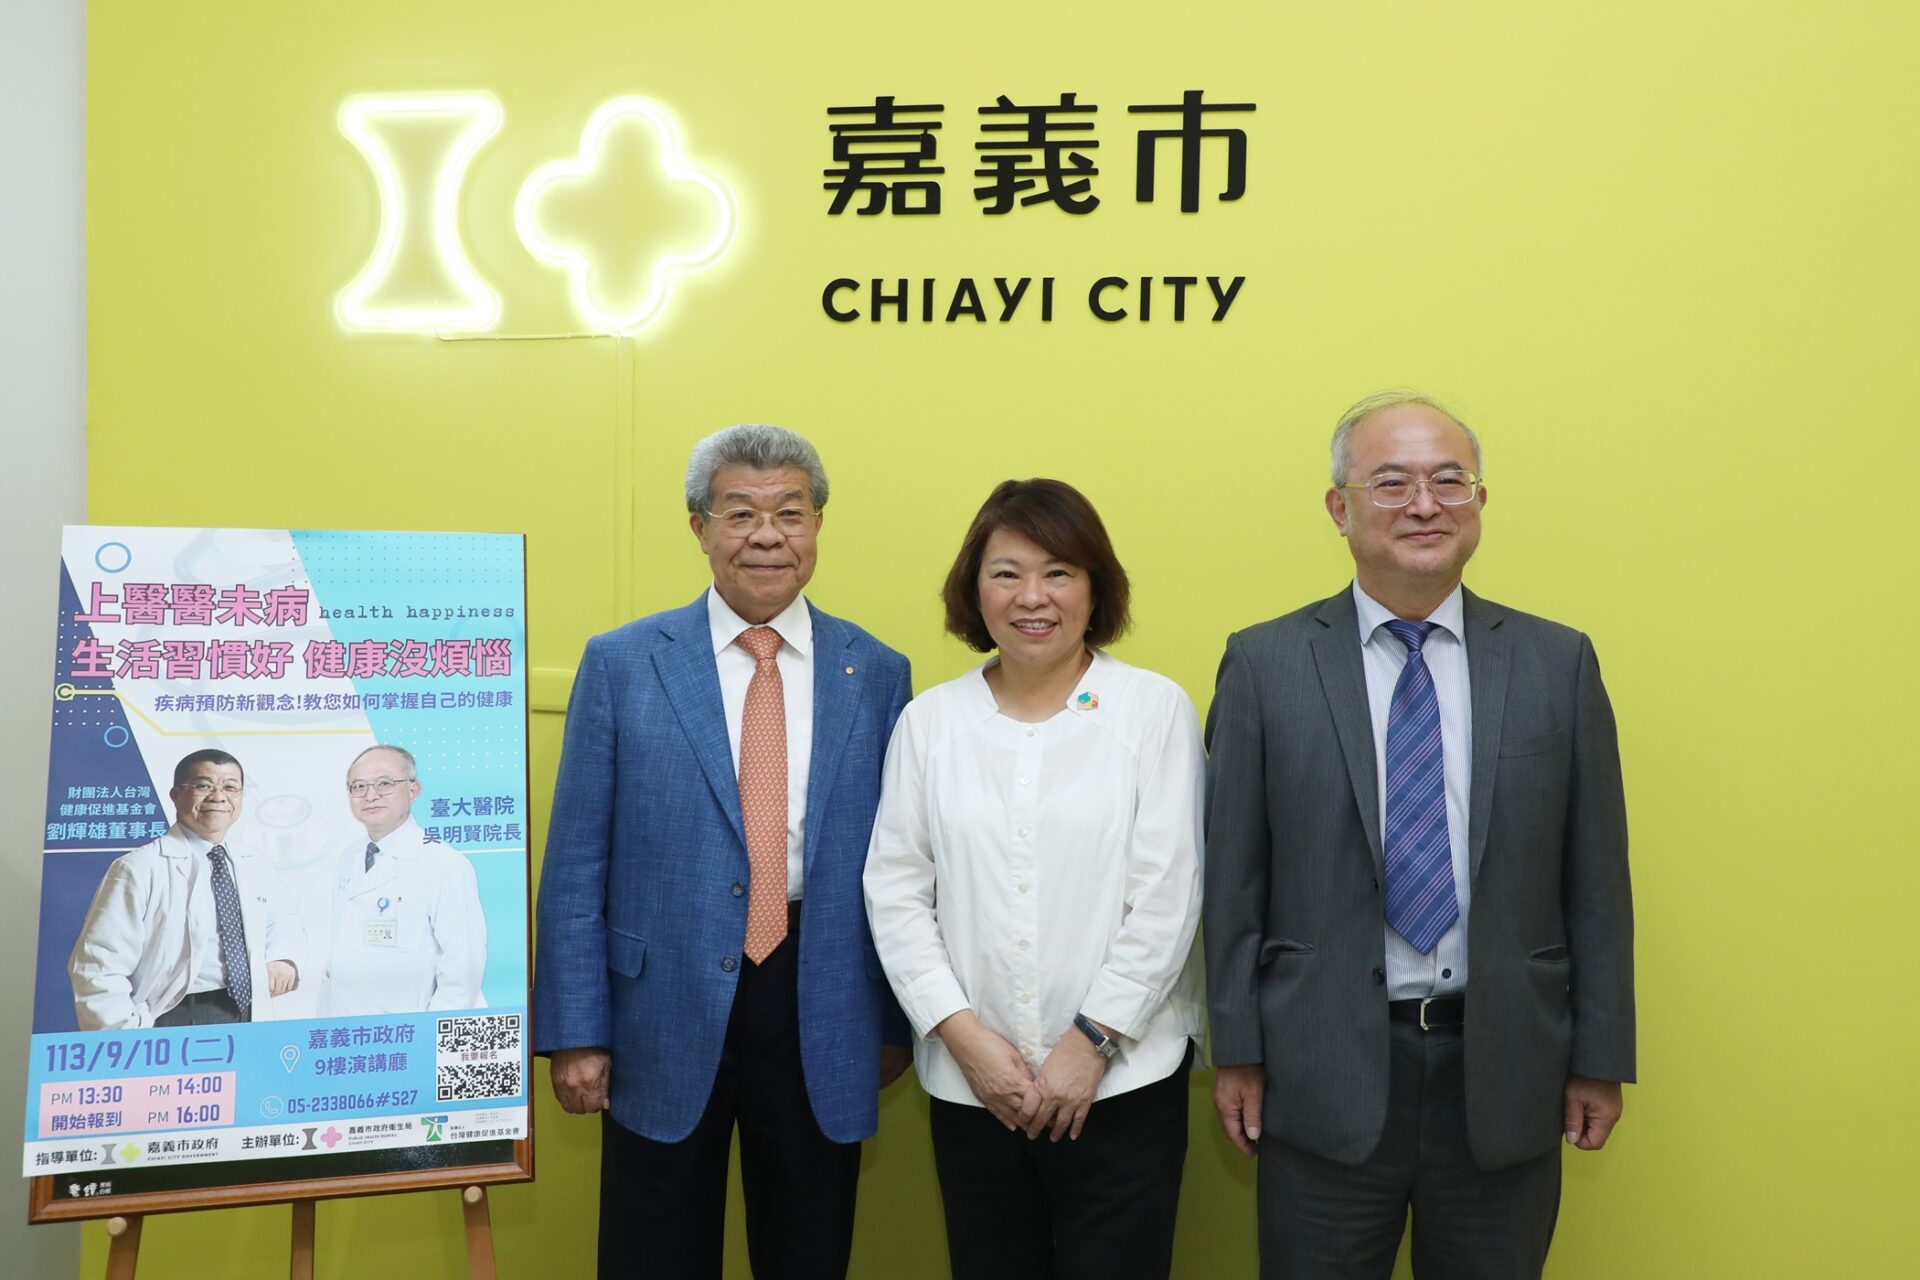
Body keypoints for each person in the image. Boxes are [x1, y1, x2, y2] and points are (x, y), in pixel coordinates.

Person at [1203, 391, 1636, 1277]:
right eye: (1392, 482)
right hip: (1321, 1071)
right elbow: (1233, 879)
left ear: (1481, 501)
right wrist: (1235, 1049)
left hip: (1505, 1072)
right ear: (1340, 507)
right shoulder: (1264, 663)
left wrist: (1599, 1057)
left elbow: (1596, 879)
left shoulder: (1559, 663)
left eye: (1450, 481)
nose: (1425, 504)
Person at [533, 423, 913, 1279]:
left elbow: (903, 867)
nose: (767, 535)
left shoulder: (879, 671)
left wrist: (892, 1023)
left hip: (822, 998)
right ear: (699, 526)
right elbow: (576, 864)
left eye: (791, 512)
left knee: (808, 1250)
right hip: (656, 1008)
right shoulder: (625, 662)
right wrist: (576, 1031)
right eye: (740, 513)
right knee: (653, 1252)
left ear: (817, 525)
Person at [865, 478, 1205, 1280]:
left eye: (1059, 571)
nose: (1033, 597)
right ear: (972, 589)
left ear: (1096, 588)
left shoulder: (1152, 710)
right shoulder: (931, 723)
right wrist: (967, 1041)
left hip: (1125, 1083)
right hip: (973, 1086)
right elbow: (897, 893)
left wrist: (1090, 1045)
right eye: (1006, 572)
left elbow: (1169, 894)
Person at [69, 748, 307, 1029]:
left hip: (249, 1011)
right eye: (204, 786)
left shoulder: (255, 863)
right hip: (177, 1015)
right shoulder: (138, 868)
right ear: (176, 795)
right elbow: (99, 963)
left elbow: (284, 919)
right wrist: (125, 1034)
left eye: (230, 787)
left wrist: (283, 958)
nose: (218, 796)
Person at [320, 744, 486, 1015]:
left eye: (384, 783)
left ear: (413, 790)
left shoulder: (445, 864)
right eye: (358, 786)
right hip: (340, 1025)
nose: (370, 795)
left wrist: (431, 1034)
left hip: (406, 1032)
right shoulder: (348, 856)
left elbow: (463, 968)